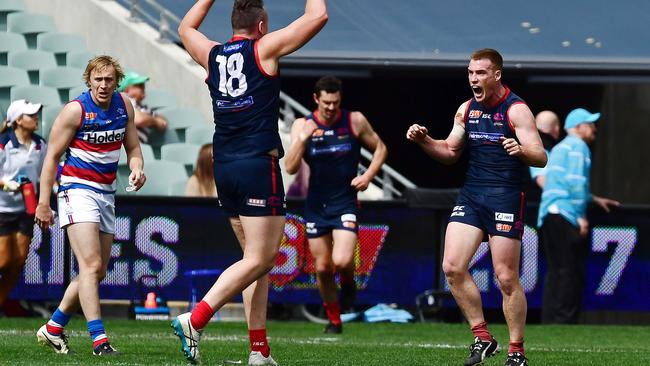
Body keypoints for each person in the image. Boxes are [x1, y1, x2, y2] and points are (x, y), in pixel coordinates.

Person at [174, 0, 327, 364]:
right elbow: (317, 15)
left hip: (224, 166)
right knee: (261, 258)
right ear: (261, 25)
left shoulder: (212, 53)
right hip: (257, 164)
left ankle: (259, 351)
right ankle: (195, 319)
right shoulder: (265, 47)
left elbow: (184, 30)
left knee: (253, 263)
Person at [406, 49, 547, 366]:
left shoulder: (517, 110)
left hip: (505, 196)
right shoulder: (466, 109)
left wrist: (521, 149)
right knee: (452, 267)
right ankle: (482, 338)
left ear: (496, 75)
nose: (473, 79)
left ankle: (517, 351)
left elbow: (541, 156)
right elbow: (450, 152)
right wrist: (424, 141)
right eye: (470, 73)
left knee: (506, 278)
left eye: (480, 73)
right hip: (472, 195)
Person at [34, 55, 146, 356]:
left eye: (109, 79)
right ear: (89, 80)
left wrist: (137, 168)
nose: (104, 85)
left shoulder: (124, 106)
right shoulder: (76, 110)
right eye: (98, 79)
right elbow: (52, 158)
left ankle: (54, 327)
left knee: (96, 272)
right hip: (76, 190)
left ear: (117, 81)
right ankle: (100, 341)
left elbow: (133, 147)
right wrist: (43, 202)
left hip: (106, 193)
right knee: (91, 265)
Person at [284, 76, 387, 333]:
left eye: (335, 102)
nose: (331, 108)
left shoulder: (354, 120)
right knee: (322, 267)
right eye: (326, 103)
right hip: (316, 205)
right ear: (316, 99)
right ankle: (334, 319)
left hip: (345, 202)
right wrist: (302, 139)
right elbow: (290, 166)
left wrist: (368, 176)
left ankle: (349, 286)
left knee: (341, 261)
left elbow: (381, 148)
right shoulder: (302, 124)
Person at [538, 108, 620, 324]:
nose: (594, 128)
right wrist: (580, 217)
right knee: (570, 272)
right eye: (590, 124)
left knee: (556, 271)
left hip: (549, 214)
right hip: (566, 214)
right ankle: (563, 322)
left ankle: (550, 321)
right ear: (577, 127)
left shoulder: (559, 149)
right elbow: (576, 182)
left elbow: (560, 183)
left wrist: (593, 199)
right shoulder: (578, 146)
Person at [0, 100, 46, 309]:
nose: (35, 118)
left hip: (27, 210)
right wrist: (4, 184)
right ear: (18, 120)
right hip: (2, 209)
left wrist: (47, 197)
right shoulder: (3, 144)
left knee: (17, 263)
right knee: (3, 261)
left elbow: (46, 174)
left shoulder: (40, 144)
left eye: (36, 114)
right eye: (30, 115)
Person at [118, 71, 168, 144]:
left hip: (138, 148)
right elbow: (139, 119)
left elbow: (163, 123)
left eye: (143, 85)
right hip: (122, 147)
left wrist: (154, 120)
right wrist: (155, 121)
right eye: (139, 85)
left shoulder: (144, 108)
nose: (143, 87)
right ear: (127, 90)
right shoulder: (122, 100)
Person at [526, 110, 561, 201]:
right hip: (535, 203)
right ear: (556, 128)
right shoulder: (543, 147)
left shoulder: (526, 140)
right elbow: (541, 178)